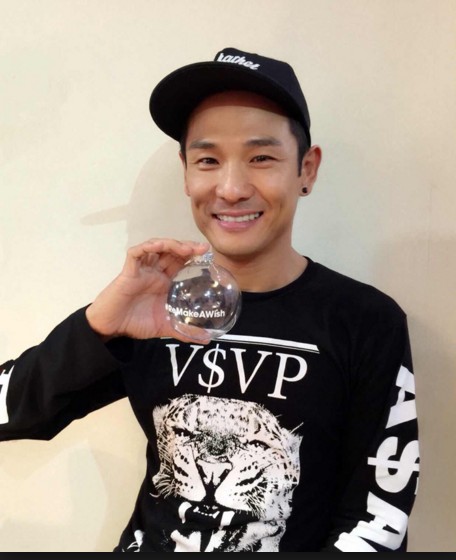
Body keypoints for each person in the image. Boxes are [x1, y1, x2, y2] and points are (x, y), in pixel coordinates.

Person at [0, 47, 420, 552]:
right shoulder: (157, 306)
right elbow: (11, 413)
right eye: (208, 160)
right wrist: (98, 327)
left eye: (261, 157)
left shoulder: (364, 320)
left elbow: (377, 518)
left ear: (307, 169)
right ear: (185, 172)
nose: (232, 188)